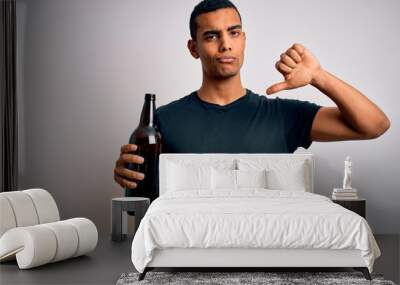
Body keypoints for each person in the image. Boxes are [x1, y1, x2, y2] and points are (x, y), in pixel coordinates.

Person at [113, 0, 390, 191]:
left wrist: (319, 76)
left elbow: (375, 125)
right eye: (211, 36)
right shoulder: (162, 121)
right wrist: (128, 179)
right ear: (193, 48)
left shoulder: (284, 116)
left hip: (271, 259)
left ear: (243, 39)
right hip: (189, 260)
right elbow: (142, 205)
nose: (225, 45)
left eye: (233, 33)